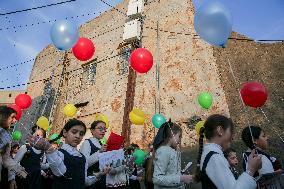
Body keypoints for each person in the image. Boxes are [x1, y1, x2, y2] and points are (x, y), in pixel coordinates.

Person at [28, 119, 109, 189]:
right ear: (65, 133)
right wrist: (48, 148)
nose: (77, 136)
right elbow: (60, 172)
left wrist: (99, 174)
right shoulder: (59, 152)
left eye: (81, 134)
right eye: (74, 132)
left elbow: (84, 181)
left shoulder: (82, 157)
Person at [194, 114, 262, 189]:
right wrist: (251, 169)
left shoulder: (210, 154)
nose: (232, 137)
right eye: (231, 132)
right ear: (220, 130)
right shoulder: (214, 157)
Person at [150, 119, 193, 189]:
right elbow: (157, 178)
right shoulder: (163, 151)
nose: (180, 140)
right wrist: (181, 178)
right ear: (171, 135)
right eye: (179, 136)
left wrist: (181, 176)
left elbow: (171, 174)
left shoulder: (172, 151)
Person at [0, 106, 26, 188]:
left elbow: (6, 158)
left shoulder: (7, 137)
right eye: (13, 117)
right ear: (4, 116)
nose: (15, 120)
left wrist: (18, 169)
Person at [80, 120, 108, 189]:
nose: (103, 131)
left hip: (102, 180)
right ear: (92, 130)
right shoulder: (87, 143)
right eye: (100, 128)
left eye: (104, 129)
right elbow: (84, 163)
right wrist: (99, 152)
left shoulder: (101, 144)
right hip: (91, 181)